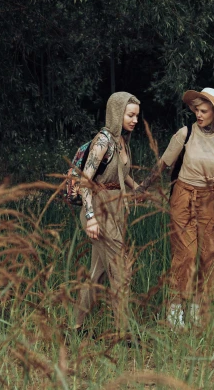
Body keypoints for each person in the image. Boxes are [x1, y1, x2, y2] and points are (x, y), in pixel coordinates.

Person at [136, 87, 214, 328]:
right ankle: (174, 313)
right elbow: (163, 163)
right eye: (196, 110)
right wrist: (142, 187)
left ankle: (195, 312)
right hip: (184, 197)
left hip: (212, 201)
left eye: (203, 111)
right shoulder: (185, 133)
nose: (198, 114)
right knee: (186, 256)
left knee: (208, 258)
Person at [74, 92, 141, 337]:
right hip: (99, 212)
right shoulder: (103, 141)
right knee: (121, 269)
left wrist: (136, 187)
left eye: (136, 116)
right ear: (116, 112)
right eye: (130, 115)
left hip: (116, 211)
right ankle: (123, 332)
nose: (134, 120)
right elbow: (85, 182)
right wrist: (90, 217)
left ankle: (76, 326)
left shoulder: (122, 141)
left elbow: (120, 173)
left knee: (97, 273)